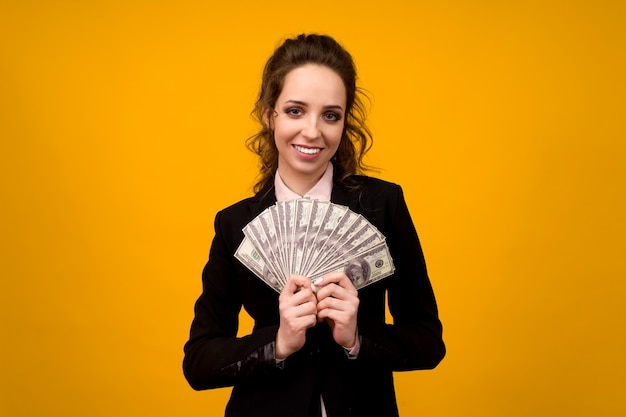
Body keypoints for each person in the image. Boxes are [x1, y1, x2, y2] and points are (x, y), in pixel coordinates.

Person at [183, 34, 445, 417]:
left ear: (344, 122)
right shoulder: (235, 224)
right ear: (270, 113)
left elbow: (427, 341)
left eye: (330, 115)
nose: (312, 131)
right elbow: (199, 361)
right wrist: (278, 342)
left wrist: (356, 338)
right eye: (294, 110)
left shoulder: (382, 206)